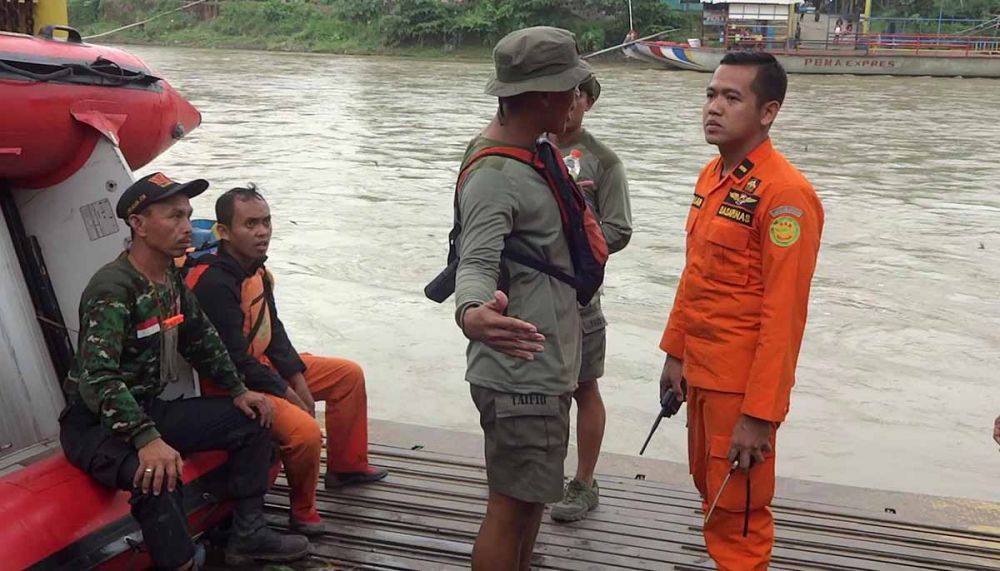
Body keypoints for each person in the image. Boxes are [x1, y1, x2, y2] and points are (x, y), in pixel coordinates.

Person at [59, 172, 310, 569]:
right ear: (138, 225)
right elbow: (99, 378)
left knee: (253, 420)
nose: (187, 227)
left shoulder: (171, 279)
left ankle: (247, 534)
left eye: (188, 215)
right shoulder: (114, 288)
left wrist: (238, 389)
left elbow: (202, 338)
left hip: (147, 408)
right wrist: (146, 438)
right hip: (96, 425)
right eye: (174, 217)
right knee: (156, 477)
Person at [659, 52, 824, 570]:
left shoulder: (786, 195)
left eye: (732, 98)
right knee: (711, 498)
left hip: (740, 390)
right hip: (702, 375)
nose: (714, 107)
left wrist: (760, 414)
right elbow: (697, 276)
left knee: (740, 519)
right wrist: (674, 352)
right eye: (711, 94)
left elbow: (785, 315)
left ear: (768, 112)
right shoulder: (713, 176)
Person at [454, 26, 591, 571]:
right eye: (569, 90)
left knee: (530, 499)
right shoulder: (494, 173)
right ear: (539, 96)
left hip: (543, 364)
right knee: (508, 508)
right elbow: (477, 259)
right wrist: (471, 313)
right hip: (519, 374)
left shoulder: (531, 150)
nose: (576, 100)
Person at [186, 184, 387, 536]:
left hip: (263, 364)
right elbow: (233, 359)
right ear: (223, 232)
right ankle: (302, 511)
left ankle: (346, 466)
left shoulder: (257, 271)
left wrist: (297, 380)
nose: (262, 232)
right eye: (250, 224)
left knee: (347, 376)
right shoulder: (214, 284)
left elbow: (274, 333)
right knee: (305, 430)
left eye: (266, 222)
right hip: (231, 383)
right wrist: (290, 394)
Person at [548, 69, 632, 523]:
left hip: (580, 298)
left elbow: (620, 229)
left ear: (587, 102)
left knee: (584, 386)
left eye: (578, 96)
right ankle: (537, 476)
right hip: (526, 296)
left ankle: (582, 482)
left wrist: (572, 239)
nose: (570, 103)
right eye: (562, 94)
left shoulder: (602, 161)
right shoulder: (522, 147)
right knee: (538, 388)